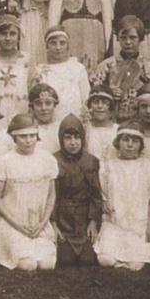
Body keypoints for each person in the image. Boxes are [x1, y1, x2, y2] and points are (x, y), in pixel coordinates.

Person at [95, 121, 150, 271]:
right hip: (114, 223)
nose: (130, 145)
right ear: (118, 143)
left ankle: (128, 260)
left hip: (138, 224)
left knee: (135, 266)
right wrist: (105, 205)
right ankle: (115, 257)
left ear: (141, 145)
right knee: (105, 260)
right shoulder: (108, 166)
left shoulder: (147, 166)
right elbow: (102, 194)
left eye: (135, 141)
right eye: (125, 140)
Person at [0, 114, 58, 271]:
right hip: (12, 222)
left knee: (47, 264)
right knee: (28, 264)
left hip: (38, 222)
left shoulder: (47, 159)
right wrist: (18, 225)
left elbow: (51, 195)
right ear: (14, 138)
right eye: (23, 137)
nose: (28, 140)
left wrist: (43, 223)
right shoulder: (4, 161)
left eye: (32, 136)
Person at [91, 15, 150, 124]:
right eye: (123, 37)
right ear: (117, 38)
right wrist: (108, 93)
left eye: (132, 37)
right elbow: (95, 95)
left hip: (141, 124)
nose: (128, 42)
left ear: (141, 38)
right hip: (111, 123)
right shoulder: (106, 66)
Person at [52, 114, 101, 267]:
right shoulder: (54, 161)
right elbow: (52, 196)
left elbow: (96, 195)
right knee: (65, 260)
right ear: (61, 139)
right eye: (68, 138)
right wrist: (54, 224)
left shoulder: (90, 161)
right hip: (63, 218)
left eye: (77, 138)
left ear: (83, 139)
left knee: (88, 260)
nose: (73, 143)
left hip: (84, 217)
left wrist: (93, 222)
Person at [32, 26, 90, 121]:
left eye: (62, 43)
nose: (58, 47)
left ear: (68, 45)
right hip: (50, 120)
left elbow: (86, 97)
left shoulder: (78, 68)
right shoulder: (40, 70)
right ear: (47, 46)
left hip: (74, 119)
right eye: (53, 43)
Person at [85, 84, 119, 162]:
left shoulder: (117, 130)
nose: (100, 106)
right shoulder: (86, 129)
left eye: (104, 102)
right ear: (90, 106)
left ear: (111, 106)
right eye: (96, 102)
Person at [29, 83, 61, 154]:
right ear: (32, 107)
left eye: (48, 103)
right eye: (38, 104)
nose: (43, 108)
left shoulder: (61, 128)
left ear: (54, 105)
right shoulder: (29, 130)